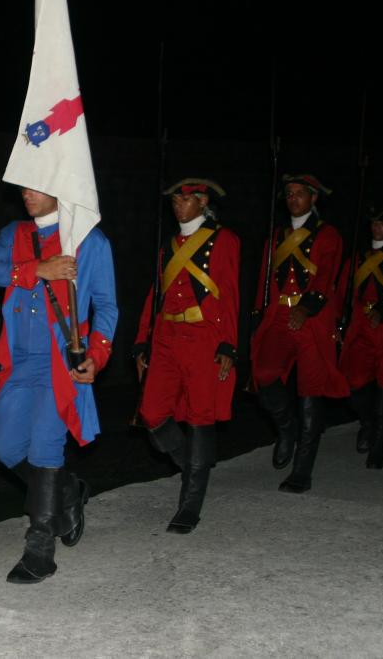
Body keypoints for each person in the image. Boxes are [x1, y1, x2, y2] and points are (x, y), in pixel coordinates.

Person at [0, 187, 117, 583]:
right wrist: (37, 269)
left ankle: (40, 547)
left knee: (44, 447)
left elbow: (107, 305)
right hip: (17, 360)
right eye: (24, 186)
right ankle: (69, 490)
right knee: (6, 450)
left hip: (60, 362)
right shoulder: (15, 234)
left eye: (37, 186)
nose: (27, 193)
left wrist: (98, 354)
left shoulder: (90, 239)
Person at [133, 179, 239, 533]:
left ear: (203, 201)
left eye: (185, 199)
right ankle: (197, 468)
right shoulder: (169, 245)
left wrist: (228, 344)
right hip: (165, 336)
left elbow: (230, 293)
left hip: (203, 336)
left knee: (199, 416)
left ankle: (190, 502)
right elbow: (156, 293)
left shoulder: (224, 240)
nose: (178, 204)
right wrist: (142, 340)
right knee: (151, 412)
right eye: (175, 199)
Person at [251, 174, 349, 493]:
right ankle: (287, 429)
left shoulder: (327, 235)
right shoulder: (275, 236)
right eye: (289, 194)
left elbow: (326, 276)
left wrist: (307, 307)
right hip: (279, 313)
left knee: (310, 390)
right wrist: (258, 317)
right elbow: (265, 282)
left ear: (313, 198)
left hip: (312, 317)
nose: (293, 199)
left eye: (299, 194)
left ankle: (302, 470)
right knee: (264, 374)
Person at [339, 209, 383, 468]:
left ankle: (378, 446)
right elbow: (343, 292)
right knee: (353, 381)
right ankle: (368, 422)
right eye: (375, 223)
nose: (377, 227)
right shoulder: (359, 259)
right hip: (361, 324)